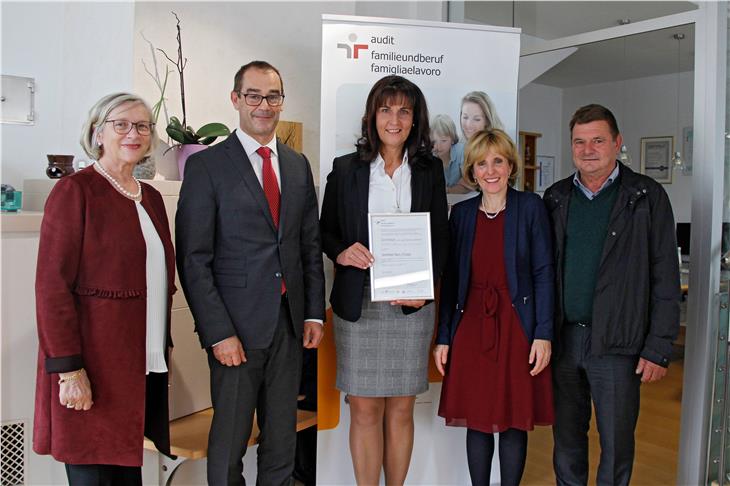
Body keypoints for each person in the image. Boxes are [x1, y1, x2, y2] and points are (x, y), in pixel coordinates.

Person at [175, 60, 325, 485]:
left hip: (290, 327)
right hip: (235, 331)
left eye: (273, 96)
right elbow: (193, 259)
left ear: (281, 101)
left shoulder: (297, 166)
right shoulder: (207, 166)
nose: (264, 105)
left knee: (282, 441)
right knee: (230, 441)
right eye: (254, 95)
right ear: (236, 99)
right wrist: (218, 332)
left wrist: (314, 313)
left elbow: (308, 248)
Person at [33, 92, 175, 485]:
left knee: (128, 477)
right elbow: (51, 288)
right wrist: (69, 370)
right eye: (122, 124)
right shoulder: (75, 191)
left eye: (143, 126)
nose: (134, 133)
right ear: (98, 133)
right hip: (90, 370)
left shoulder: (152, 198)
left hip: (136, 367)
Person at [320, 75, 449, 485]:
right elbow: (324, 232)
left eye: (404, 111)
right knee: (363, 409)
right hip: (359, 308)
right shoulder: (346, 169)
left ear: (415, 119)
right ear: (372, 116)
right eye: (385, 109)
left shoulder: (430, 171)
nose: (394, 119)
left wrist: (424, 293)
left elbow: (441, 240)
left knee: (401, 409)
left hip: (409, 307)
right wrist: (341, 251)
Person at [543, 104, 681, 485]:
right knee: (566, 440)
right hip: (565, 339)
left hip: (619, 343)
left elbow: (665, 274)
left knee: (616, 443)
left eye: (598, 140)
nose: (588, 149)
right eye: (580, 142)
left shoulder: (645, 196)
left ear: (617, 143)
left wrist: (659, 345)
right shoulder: (554, 198)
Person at [434, 129, 555, 486]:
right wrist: (444, 337)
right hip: (471, 327)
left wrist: (543, 333)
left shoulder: (530, 207)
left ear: (510, 165)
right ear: (471, 170)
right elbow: (452, 281)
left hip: (518, 327)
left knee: (514, 418)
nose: (490, 170)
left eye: (498, 161)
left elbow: (544, 273)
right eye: (482, 163)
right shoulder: (462, 214)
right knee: (478, 417)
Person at [449, 91, 505, 194]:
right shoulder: (457, 146)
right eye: (465, 117)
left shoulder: (498, 147)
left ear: (487, 121)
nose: (468, 124)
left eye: (477, 119)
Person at [431, 113, 464, 188]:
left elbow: (468, 182)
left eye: (443, 141)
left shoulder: (460, 151)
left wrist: (447, 191)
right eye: (434, 141)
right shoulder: (430, 156)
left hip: (463, 197)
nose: (438, 146)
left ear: (452, 139)